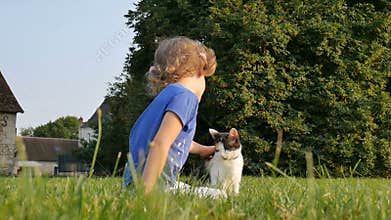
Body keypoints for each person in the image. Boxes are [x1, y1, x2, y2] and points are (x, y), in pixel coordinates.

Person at [123, 36, 225, 198]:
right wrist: (146, 196)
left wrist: (203, 150)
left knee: (184, 187)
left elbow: (174, 140)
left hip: (131, 186)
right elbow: (160, 144)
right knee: (220, 196)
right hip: (155, 187)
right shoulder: (187, 97)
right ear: (200, 70)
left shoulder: (166, 97)